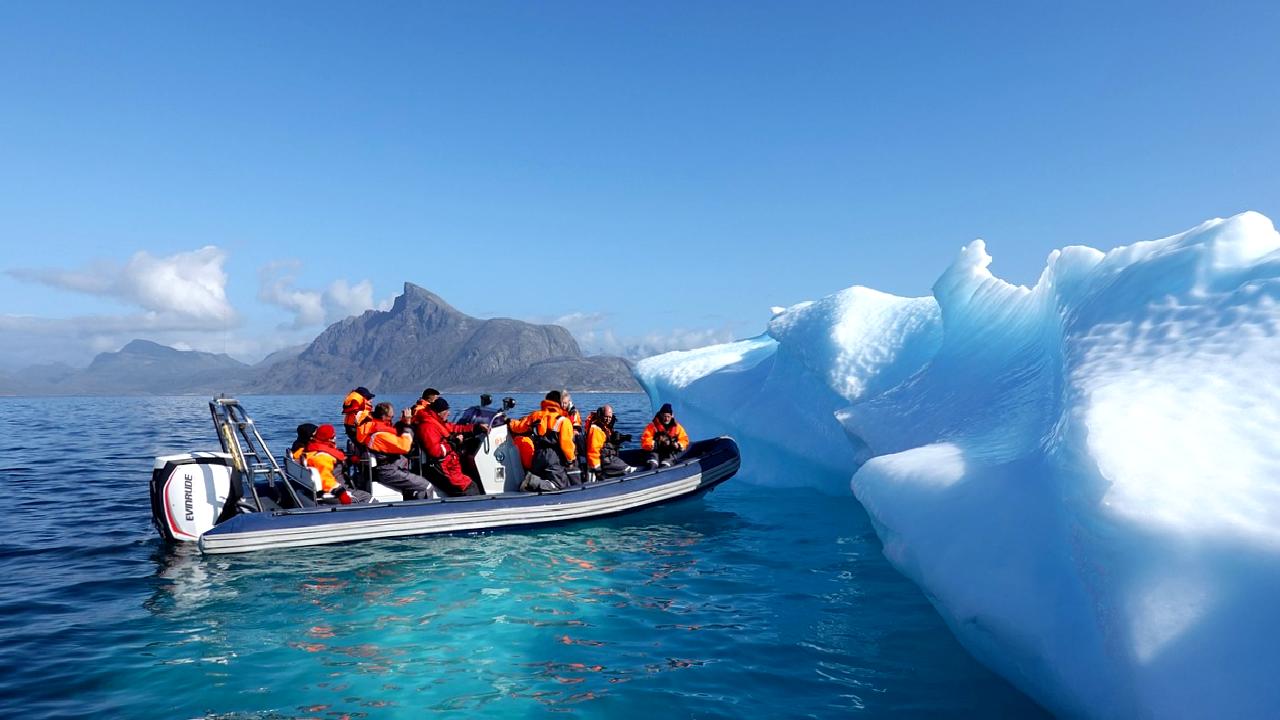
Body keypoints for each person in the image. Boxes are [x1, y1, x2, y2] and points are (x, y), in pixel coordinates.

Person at [357, 402, 433, 500]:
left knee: (413, 481)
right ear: (384, 416)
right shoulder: (380, 434)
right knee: (426, 486)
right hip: (387, 471)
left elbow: (393, 436)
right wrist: (407, 424)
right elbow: (404, 447)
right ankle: (424, 511)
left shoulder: (374, 426)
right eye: (391, 417)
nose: (392, 419)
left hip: (388, 466)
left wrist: (402, 422)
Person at [413, 397, 488, 497]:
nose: (449, 413)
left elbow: (455, 428)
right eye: (446, 411)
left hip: (449, 464)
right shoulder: (428, 427)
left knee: (471, 480)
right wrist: (454, 443)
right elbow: (436, 452)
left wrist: (476, 428)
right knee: (469, 487)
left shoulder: (436, 422)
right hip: (441, 467)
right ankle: (475, 509)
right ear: (439, 412)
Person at [507, 390, 577, 490]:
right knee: (559, 485)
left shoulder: (536, 415)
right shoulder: (563, 421)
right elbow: (566, 445)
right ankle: (531, 480)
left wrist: (508, 421)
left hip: (538, 455)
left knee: (541, 479)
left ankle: (532, 483)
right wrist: (571, 460)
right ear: (559, 403)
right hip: (553, 457)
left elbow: (518, 427)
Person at [301, 424, 371, 504]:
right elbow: (325, 478)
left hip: (335, 487)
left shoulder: (313, 450)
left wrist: (349, 461)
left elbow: (333, 467)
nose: (335, 438)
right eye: (333, 436)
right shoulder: (322, 457)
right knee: (367, 497)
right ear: (329, 438)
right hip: (334, 492)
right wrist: (342, 494)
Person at [584, 405, 635, 481]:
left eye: (610, 417)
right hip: (602, 461)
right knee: (628, 470)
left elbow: (608, 439)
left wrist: (622, 438)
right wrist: (597, 469)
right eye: (606, 416)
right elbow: (593, 451)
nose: (608, 419)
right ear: (601, 415)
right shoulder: (596, 429)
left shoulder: (606, 427)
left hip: (608, 458)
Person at [641, 403, 689, 469]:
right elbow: (645, 440)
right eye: (664, 416)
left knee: (665, 466)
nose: (666, 419)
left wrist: (678, 445)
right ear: (661, 415)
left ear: (672, 416)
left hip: (669, 453)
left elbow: (684, 439)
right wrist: (657, 443)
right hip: (654, 452)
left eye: (668, 416)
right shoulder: (652, 426)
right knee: (652, 464)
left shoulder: (677, 427)